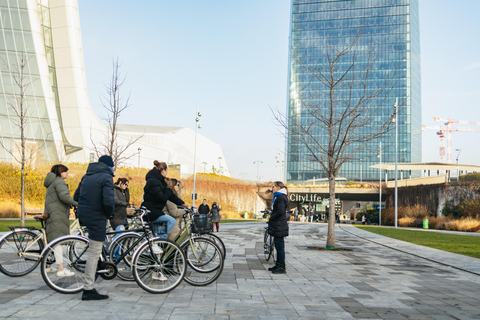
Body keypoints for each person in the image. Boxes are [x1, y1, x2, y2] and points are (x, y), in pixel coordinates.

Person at [74, 155, 115, 301]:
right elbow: (108, 200)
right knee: (94, 251)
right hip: (97, 217)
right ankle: (88, 288)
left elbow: (76, 195)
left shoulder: (87, 176)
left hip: (84, 215)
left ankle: (100, 264)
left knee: (95, 249)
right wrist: (110, 214)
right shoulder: (106, 177)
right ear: (110, 166)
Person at [43, 164, 78, 277]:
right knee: (58, 241)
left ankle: (47, 266)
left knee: (51, 241)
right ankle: (61, 269)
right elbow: (64, 196)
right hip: (57, 214)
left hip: (52, 213)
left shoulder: (52, 182)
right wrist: (78, 203)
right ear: (60, 172)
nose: (67, 173)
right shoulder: (59, 182)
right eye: (65, 171)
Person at [142, 161, 184, 242]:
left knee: (156, 236)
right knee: (171, 221)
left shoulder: (160, 181)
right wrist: (168, 189)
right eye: (167, 171)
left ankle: (155, 248)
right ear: (163, 171)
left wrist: (183, 204)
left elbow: (171, 196)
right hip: (151, 211)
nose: (167, 173)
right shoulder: (153, 181)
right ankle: (157, 241)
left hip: (155, 211)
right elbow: (161, 198)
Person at [265, 181, 289, 274]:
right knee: (278, 246)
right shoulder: (279, 195)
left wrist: (272, 218)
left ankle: (282, 267)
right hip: (278, 225)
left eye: (273, 186)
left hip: (279, 225)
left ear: (279, 187)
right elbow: (275, 190)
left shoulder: (281, 197)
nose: (272, 188)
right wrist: (270, 190)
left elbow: (281, 211)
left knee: (280, 246)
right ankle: (278, 264)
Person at [110, 178, 130, 259]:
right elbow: (115, 201)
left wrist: (127, 192)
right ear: (120, 182)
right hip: (116, 216)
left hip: (122, 216)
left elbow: (127, 201)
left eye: (127, 185)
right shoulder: (114, 190)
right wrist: (125, 204)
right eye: (125, 184)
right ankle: (111, 251)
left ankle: (116, 253)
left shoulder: (122, 192)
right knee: (120, 233)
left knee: (121, 234)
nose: (126, 186)